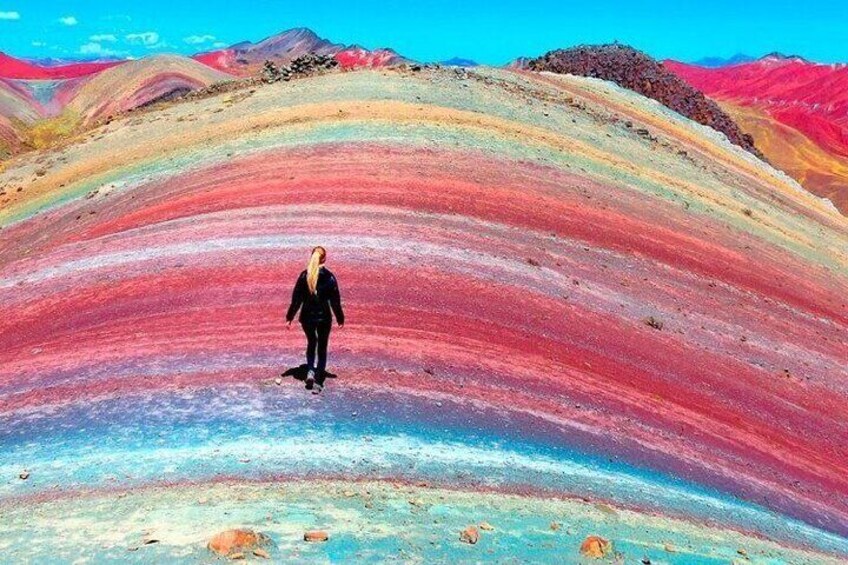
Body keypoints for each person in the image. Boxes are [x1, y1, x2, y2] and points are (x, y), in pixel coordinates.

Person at [286, 246, 344, 393]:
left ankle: (310, 371)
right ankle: (318, 381)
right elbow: (335, 301)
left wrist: (290, 317)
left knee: (312, 342)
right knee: (322, 346)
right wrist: (340, 318)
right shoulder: (330, 278)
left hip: (307, 317)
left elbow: (296, 300)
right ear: (324, 259)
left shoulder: (304, 276)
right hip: (324, 318)